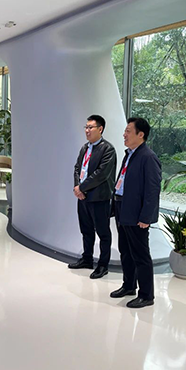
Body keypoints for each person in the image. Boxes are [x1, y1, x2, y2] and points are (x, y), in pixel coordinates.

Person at [110, 118, 161, 308]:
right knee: (125, 250)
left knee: (140, 254)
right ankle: (129, 285)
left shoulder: (148, 157)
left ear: (141, 134)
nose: (124, 134)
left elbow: (152, 190)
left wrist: (146, 217)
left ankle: (147, 295)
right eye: (125, 131)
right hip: (123, 208)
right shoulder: (129, 154)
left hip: (136, 212)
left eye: (128, 131)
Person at [69, 115, 117, 279]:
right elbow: (77, 168)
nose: (87, 130)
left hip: (99, 198)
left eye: (91, 127)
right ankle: (87, 259)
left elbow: (101, 174)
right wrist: (77, 187)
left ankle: (103, 265)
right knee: (86, 230)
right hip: (83, 197)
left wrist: (81, 188)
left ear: (100, 129)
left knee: (103, 233)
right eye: (86, 127)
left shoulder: (108, 149)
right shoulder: (85, 148)